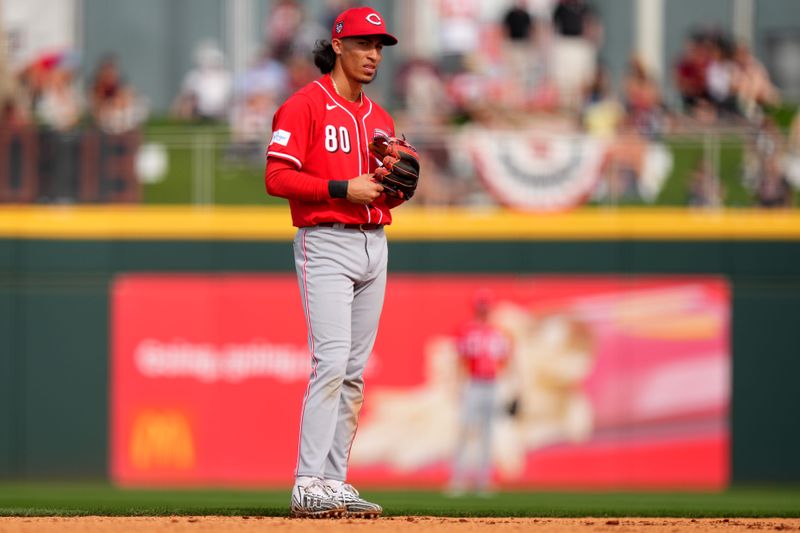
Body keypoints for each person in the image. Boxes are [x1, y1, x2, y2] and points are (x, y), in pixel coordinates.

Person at [264, 5, 406, 519]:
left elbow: (385, 193)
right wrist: (343, 188)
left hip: (374, 243)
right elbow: (276, 177)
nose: (373, 55)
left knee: (353, 372)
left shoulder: (382, 119)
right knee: (330, 364)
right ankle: (307, 482)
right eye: (365, 44)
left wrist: (395, 192)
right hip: (324, 240)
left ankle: (332, 480)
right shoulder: (304, 105)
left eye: (380, 47)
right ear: (339, 45)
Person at [448, 290, 512, 496]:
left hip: (492, 383)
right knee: (466, 430)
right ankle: (458, 478)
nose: (484, 311)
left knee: (487, 433)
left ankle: (483, 480)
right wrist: (459, 384)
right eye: (481, 307)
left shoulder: (498, 332)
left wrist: (509, 386)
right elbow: (460, 359)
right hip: (473, 383)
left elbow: (506, 360)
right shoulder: (467, 330)